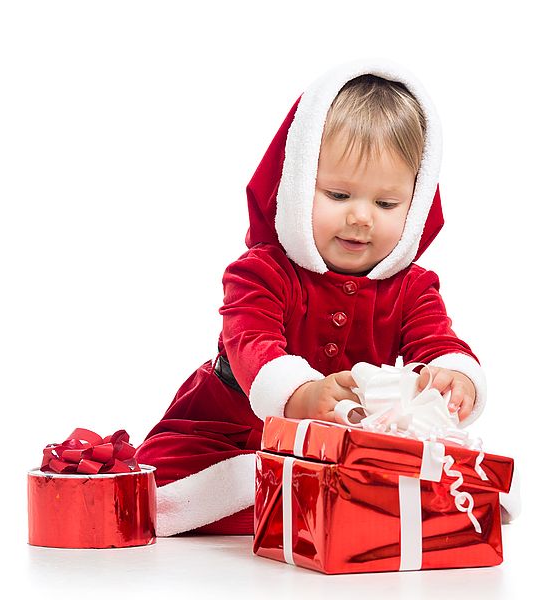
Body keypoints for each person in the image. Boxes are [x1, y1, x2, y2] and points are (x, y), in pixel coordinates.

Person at [135, 59, 489, 537]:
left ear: (417, 204)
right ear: (297, 186)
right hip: (228, 433)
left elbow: (436, 340)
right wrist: (302, 395)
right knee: (160, 485)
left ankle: (306, 497)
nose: (362, 217)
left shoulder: (413, 287)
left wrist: (454, 375)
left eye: (386, 204)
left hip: (336, 447)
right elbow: (251, 344)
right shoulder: (260, 272)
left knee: (402, 473)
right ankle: (268, 492)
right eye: (339, 194)